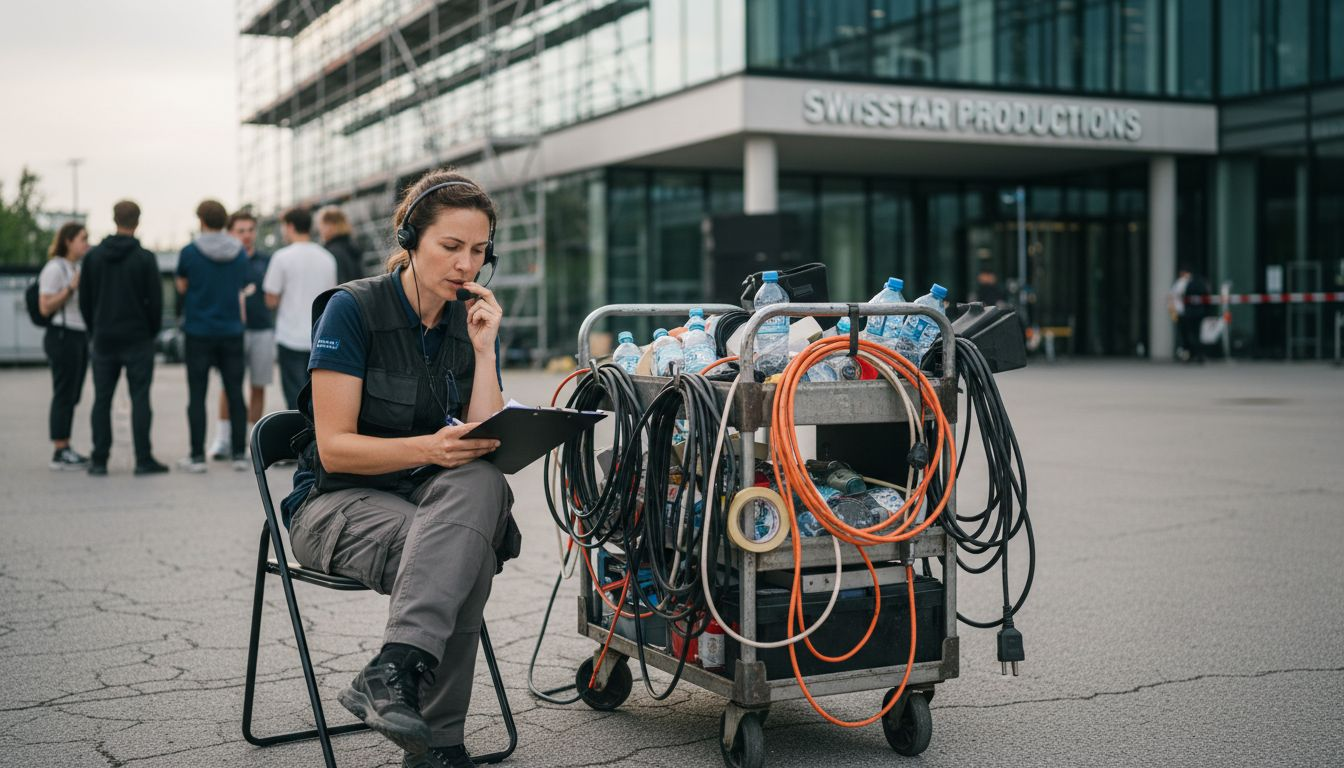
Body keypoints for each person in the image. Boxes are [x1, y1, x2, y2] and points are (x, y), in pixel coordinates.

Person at [283, 170, 519, 768]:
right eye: (450, 247)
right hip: (336, 505)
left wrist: (486, 350)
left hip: (429, 506)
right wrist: (429, 450)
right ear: (410, 240)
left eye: (478, 251)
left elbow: (485, 443)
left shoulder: (469, 323)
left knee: (482, 481)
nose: (466, 265)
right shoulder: (351, 310)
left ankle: (392, 673)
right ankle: (438, 746)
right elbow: (336, 449)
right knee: (465, 554)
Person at [79, 200, 168, 476]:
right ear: (138, 221)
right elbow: (156, 302)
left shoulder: (93, 257)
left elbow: (85, 299)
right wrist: (150, 332)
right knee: (140, 398)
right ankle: (143, 459)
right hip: (138, 337)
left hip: (104, 336)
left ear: (113, 219)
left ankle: (98, 460)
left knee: (102, 399)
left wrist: (95, 328)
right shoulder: (144, 258)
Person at [175, 200, 250, 473]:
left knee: (197, 394)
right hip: (231, 331)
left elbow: (182, 286)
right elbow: (243, 284)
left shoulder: (190, 252)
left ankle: (196, 457)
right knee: (234, 392)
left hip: (198, 331)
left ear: (201, 221)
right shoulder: (239, 252)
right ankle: (240, 454)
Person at [210, 210, 273, 460]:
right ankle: (223, 439)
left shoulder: (266, 261)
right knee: (229, 386)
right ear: (230, 233)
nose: (246, 235)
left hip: (261, 329)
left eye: (250, 230)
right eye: (241, 231)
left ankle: (251, 442)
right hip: (231, 331)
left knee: (258, 386)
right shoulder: (225, 261)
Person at [263, 207, 336, 409]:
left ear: (290, 226)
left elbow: (271, 299)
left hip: (290, 337)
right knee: (318, 400)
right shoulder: (327, 258)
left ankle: (297, 439)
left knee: (294, 400)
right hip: (319, 336)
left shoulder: (281, 257)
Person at [38, 222, 92, 470]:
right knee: (64, 392)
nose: (86, 243)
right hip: (62, 335)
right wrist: (71, 288)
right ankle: (60, 450)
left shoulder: (74, 267)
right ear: (68, 241)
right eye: (82, 238)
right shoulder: (55, 268)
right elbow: (45, 306)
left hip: (78, 335)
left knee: (73, 393)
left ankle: (66, 446)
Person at [1169, 265, 1208, 363]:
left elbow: (1173, 297)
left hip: (1186, 313)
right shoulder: (1198, 282)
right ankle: (1195, 355)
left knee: (1188, 335)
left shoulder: (1182, 283)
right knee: (1194, 335)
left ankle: (1192, 355)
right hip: (1194, 313)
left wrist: (1173, 313)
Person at [317, 205, 363, 285]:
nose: (320, 229)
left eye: (323, 225)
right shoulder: (351, 247)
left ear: (332, 225)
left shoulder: (332, 252)